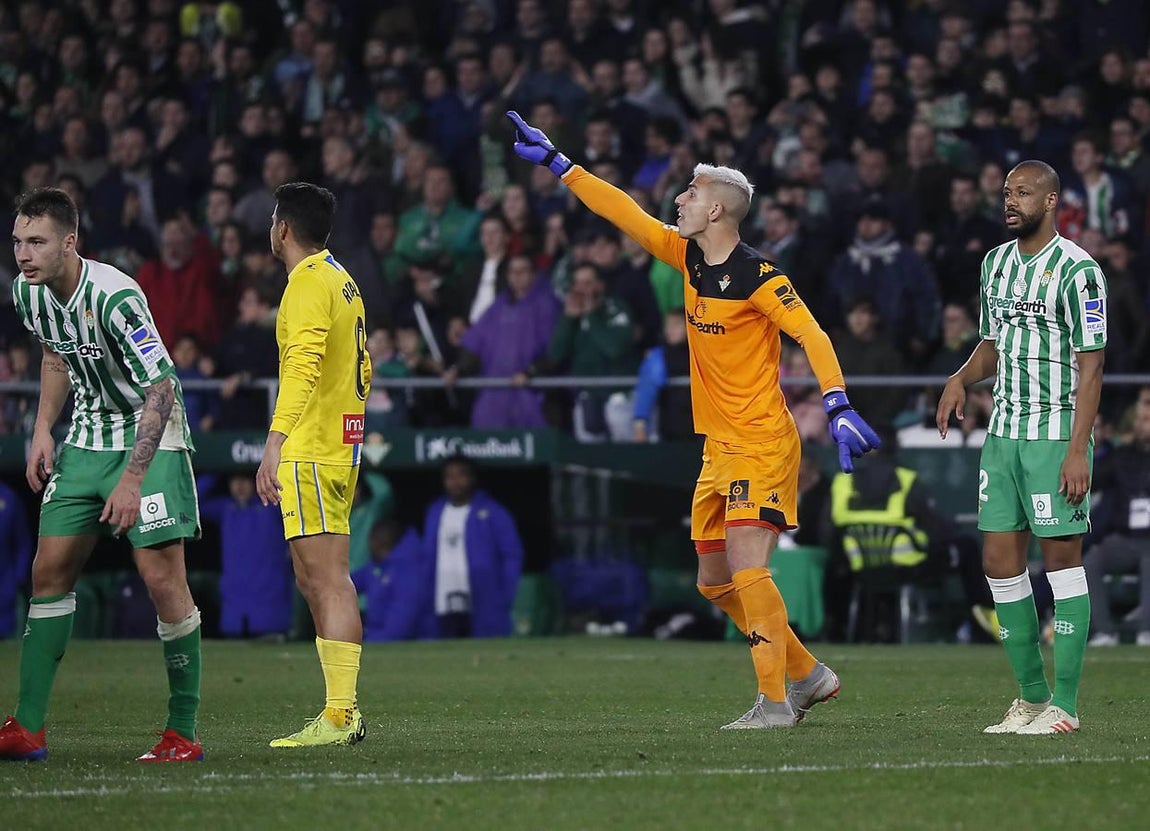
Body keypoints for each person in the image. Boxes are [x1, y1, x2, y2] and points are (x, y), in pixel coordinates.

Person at [507, 110, 880, 728]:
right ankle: (809, 673)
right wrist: (560, 164)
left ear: (716, 213)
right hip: (719, 446)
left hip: (761, 441)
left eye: (691, 192)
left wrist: (837, 401)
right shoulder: (687, 257)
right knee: (713, 580)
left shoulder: (762, 278)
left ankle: (776, 704)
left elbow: (811, 334)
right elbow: (623, 212)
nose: (678, 198)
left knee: (747, 565)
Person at [1, 188, 204, 762]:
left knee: (161, 579)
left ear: (70, 242)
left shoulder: (116, 297)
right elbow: (55, 357)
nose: (23, 253)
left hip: (151, 431)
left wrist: (133, 480)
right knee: (49, 570)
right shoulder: (29, 293)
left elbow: (160, 388)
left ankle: (182, 732)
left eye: (36, 241)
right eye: (17, 241)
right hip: (87, 435)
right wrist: (43, 428)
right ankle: (28, 727)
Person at [937, 160, 1108, 735]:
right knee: (998, 563)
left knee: (1061, 563)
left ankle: (1065, 705)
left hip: (1055, 433)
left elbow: (1092, 367)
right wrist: (961, 377)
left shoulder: (1078, 271)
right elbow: (993, 344)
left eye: (1024, 192)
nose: (1010, 201)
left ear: (1052, 199)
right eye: (1007, 191)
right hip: (1004, 434)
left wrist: (1078, 448)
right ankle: (1031, 699)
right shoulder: (995, 263)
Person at [255, 182, 371, 748]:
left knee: (326, 579)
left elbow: (302, 366)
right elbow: (363, 368)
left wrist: (275, 442)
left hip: (313, 446)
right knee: (316, 576)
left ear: (283, 228)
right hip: (339, 444)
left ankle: (341, 715)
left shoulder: (305, 284)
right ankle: (339, 712)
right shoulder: (342, 280)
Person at [419, 455, 524, 639]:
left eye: (461, 476)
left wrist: (505, 593)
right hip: (442, 598)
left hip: (483, 598)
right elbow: (427, 555)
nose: (455, 482)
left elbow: (512, 554)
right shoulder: (435, 511)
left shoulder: (493, 512)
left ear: (472, 478)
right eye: (449, 477)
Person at [1084, 405, 1150, 647]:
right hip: (1126, 537)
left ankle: (1147, 631)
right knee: (1091, 560)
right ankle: (1104, 631)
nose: (1145, 424)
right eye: (1142, 419)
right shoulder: (1122, 456)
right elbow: (1094, 478)